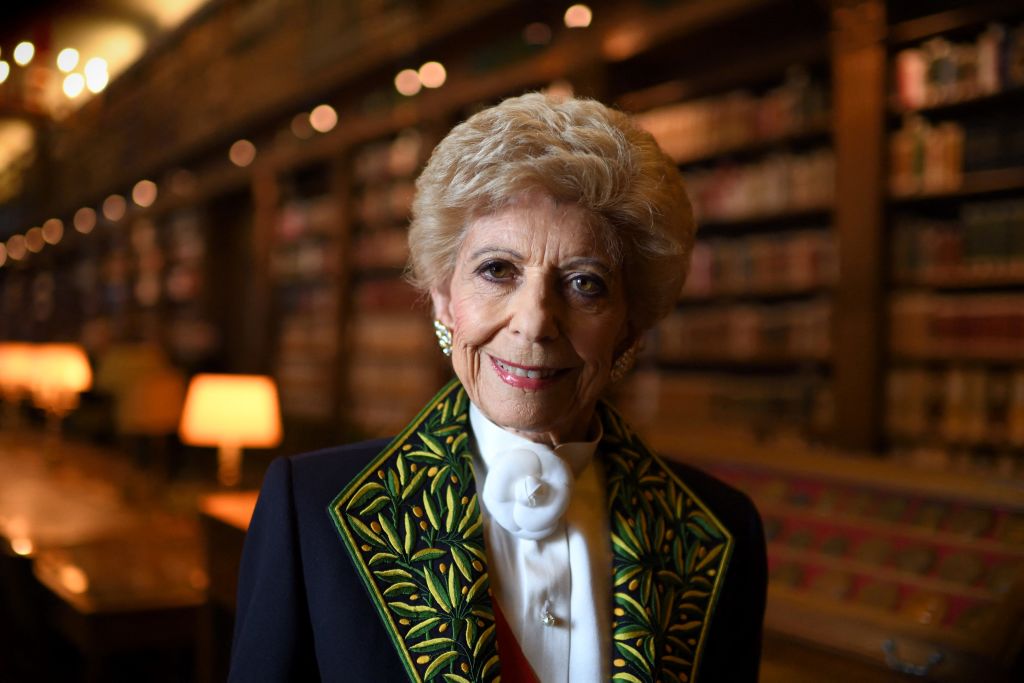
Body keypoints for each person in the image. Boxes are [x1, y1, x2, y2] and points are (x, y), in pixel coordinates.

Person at [229, 92, 767, 682]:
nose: (534, 322)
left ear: (629, 327)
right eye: (497, 270)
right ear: (443, 297)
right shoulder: (310, 511)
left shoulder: (719, 531)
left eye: (584, 283)